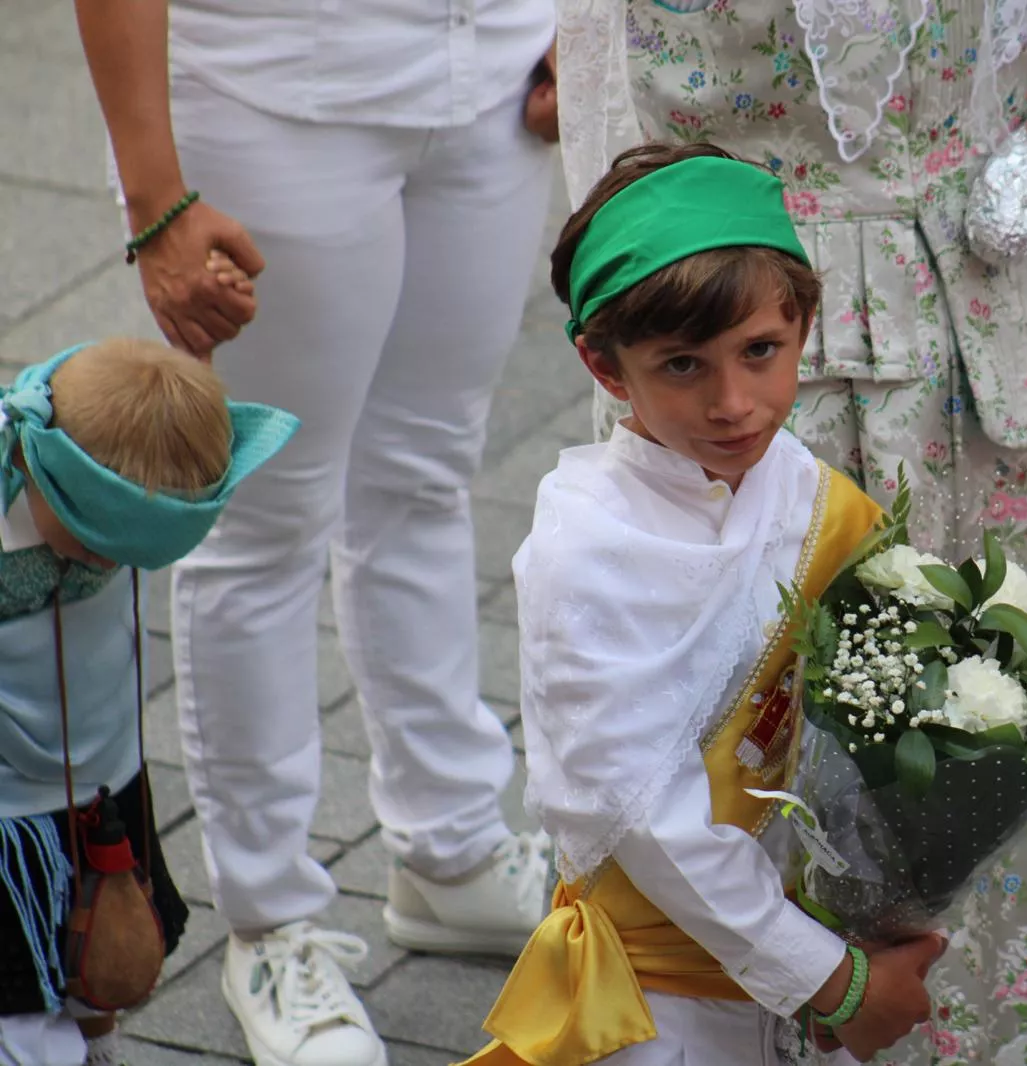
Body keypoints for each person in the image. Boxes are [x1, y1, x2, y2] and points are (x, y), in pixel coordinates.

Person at [553, 1, 1027, 1058]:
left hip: (982, 334)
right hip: (746, 350)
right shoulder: (708, 408)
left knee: (998, 731)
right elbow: (606, 123)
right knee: (735, 758)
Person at [71, 1, 563, 1064]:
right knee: (265, 516)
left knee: (430, 472)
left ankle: (451, 846)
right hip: (276, 83)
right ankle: (271, 921)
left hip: (495, 71)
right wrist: (155, 195)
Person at [463, 142, 945, 1066]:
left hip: (811, 958)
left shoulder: (811, 495)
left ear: (804, 323)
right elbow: (645, 814)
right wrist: (831, 982)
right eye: (682, 366)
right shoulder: (588, 549)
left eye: (761, 352)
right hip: (659, 1000)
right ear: (606, 368)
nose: (735, 403)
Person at [0, 338, 297, 1066]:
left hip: (102, 767)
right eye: (96, 543)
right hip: (7, 803)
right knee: (16, 984)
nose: (110, 562)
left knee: (104, 950)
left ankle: (93, 1034)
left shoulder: (104, 485)